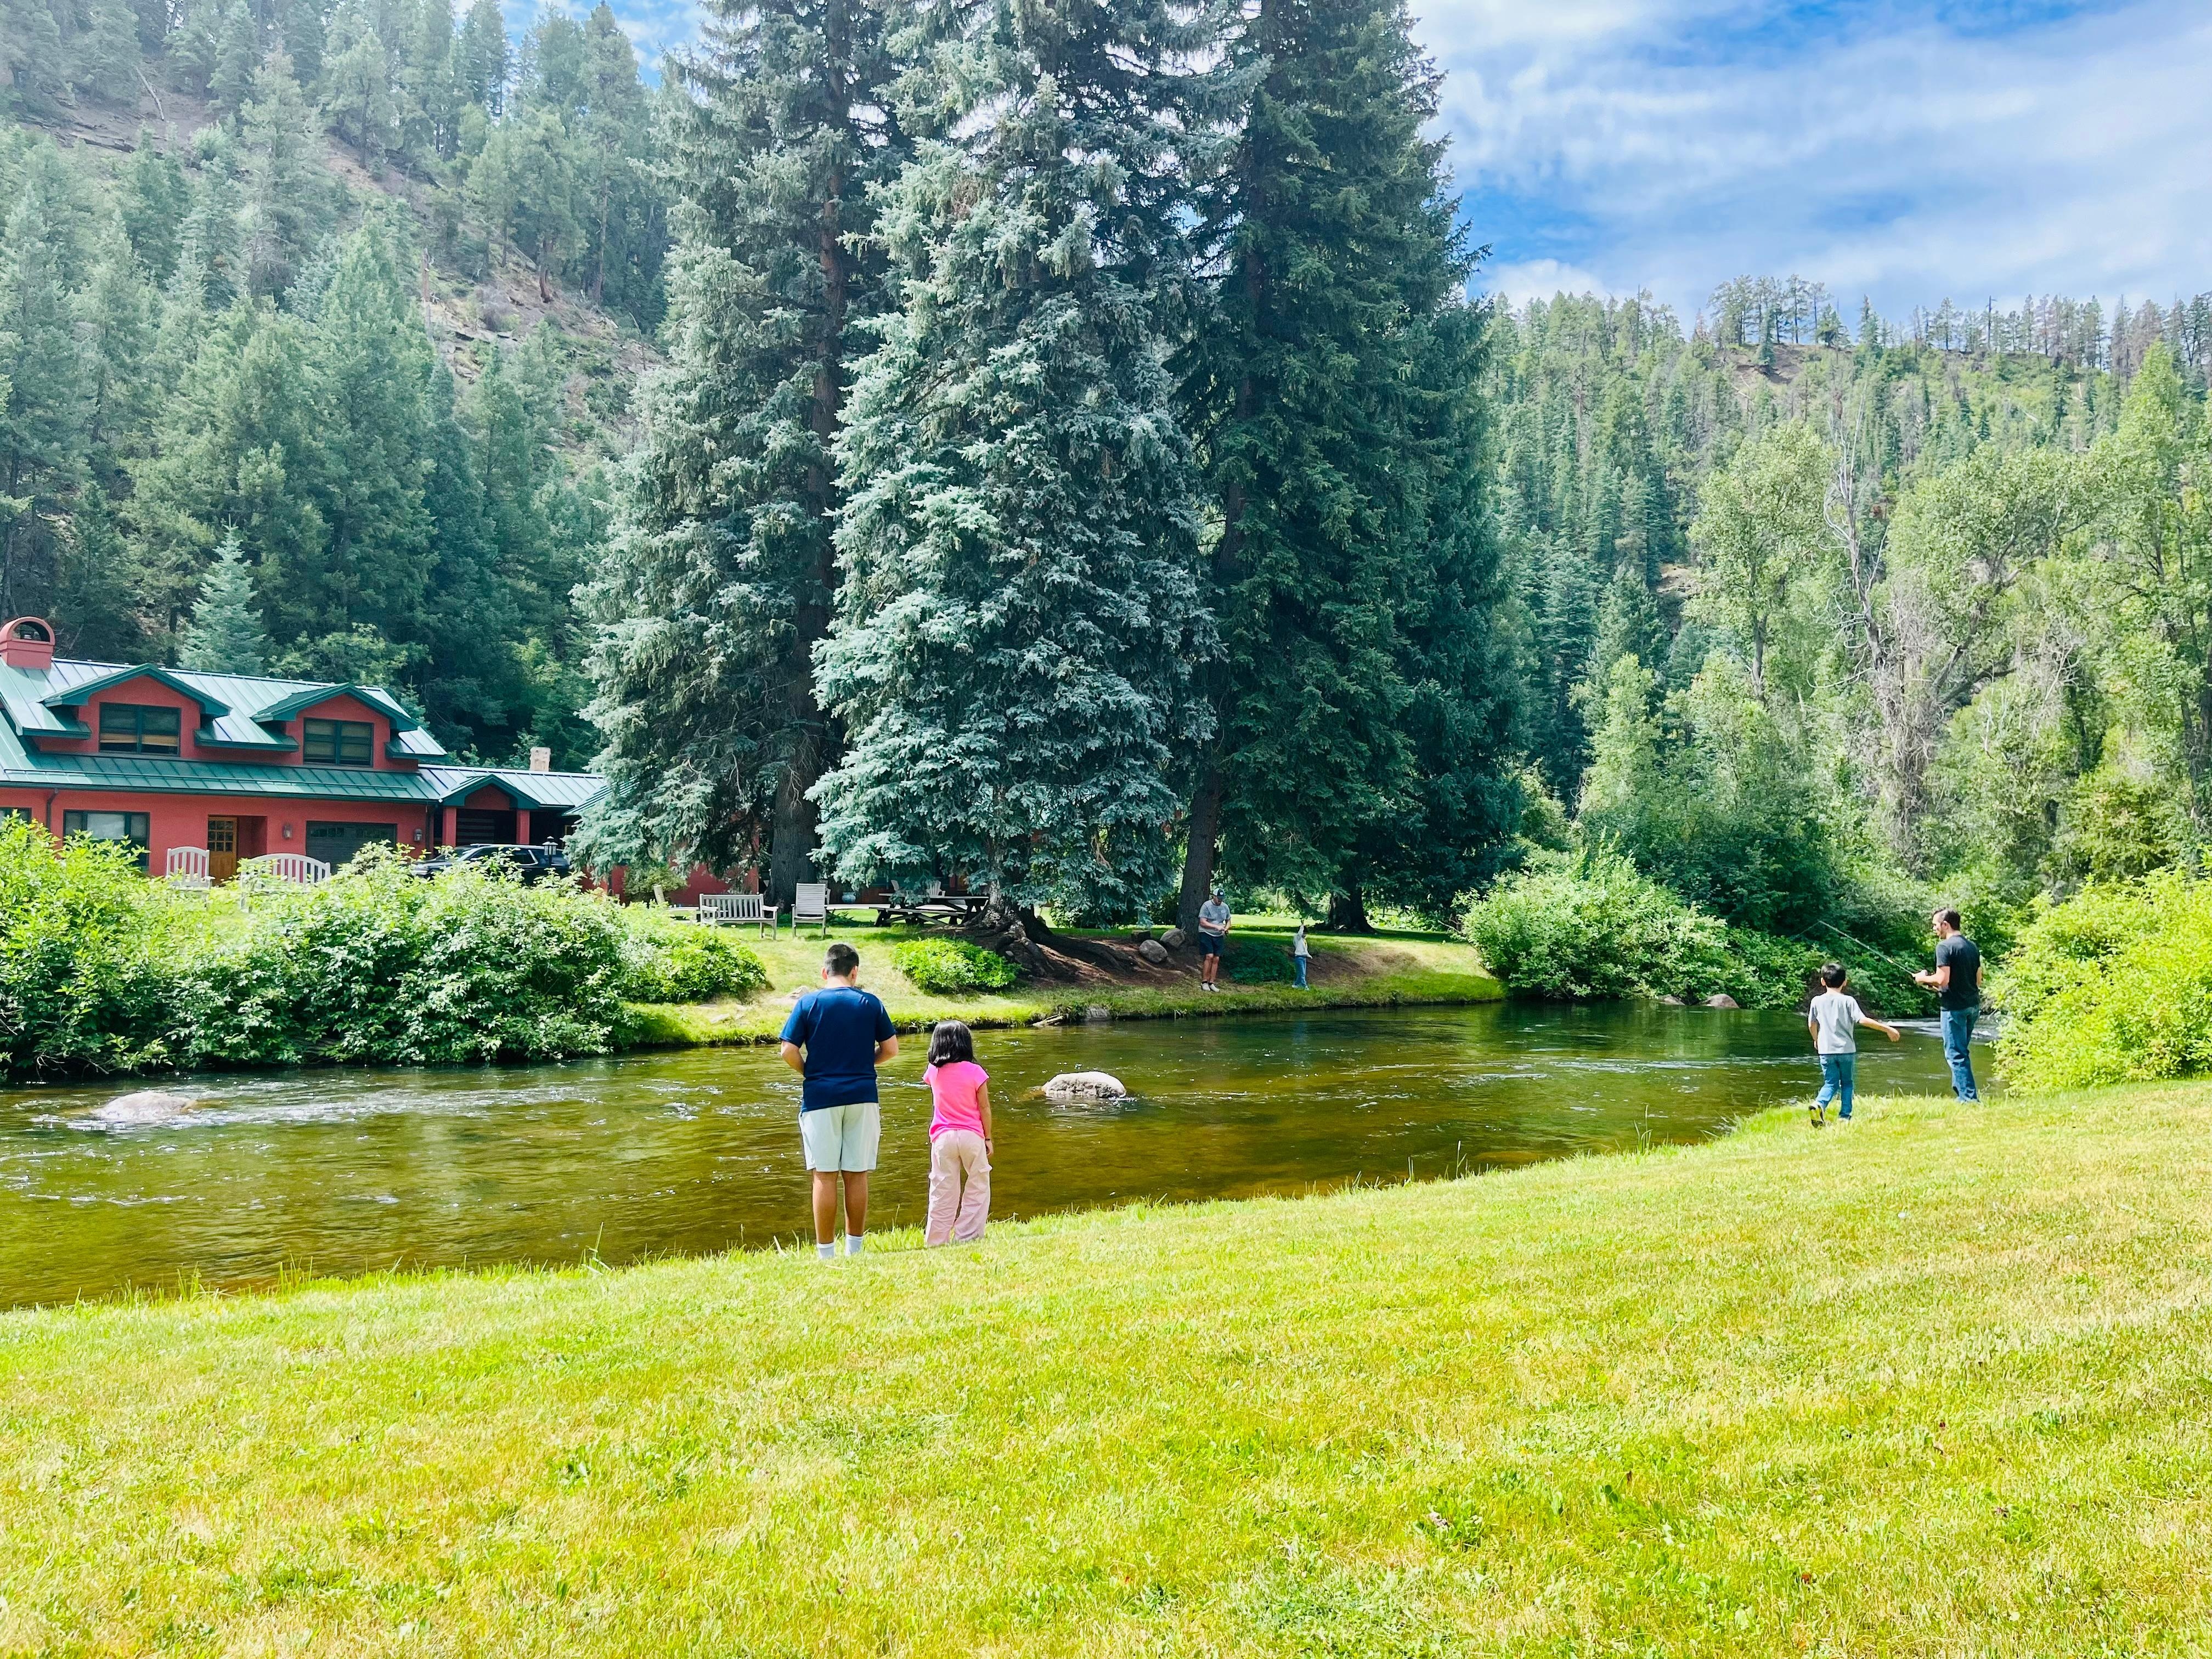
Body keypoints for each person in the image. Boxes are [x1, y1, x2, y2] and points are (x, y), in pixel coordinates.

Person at [780, 942, 898, 1260]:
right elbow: (891, 1050)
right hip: (863, 1095)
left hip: (820, 1097)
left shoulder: (807, 1003)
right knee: (857, 1173)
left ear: (824, 972)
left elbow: (788, 1051)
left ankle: (825, 1254)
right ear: (854, 972)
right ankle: (855, 1251)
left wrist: (811, 1071)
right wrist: (863, 1063)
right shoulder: (870, 1003)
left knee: (824, 1174)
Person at [921, 1020, 993, 1246]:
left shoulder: (933, 1072)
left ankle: (936, 1239)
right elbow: (984, 1108)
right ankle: (968, 1236)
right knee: (978, 1184)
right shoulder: (976, 1072)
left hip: (943, 1138)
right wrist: (988, 1137)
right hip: (972, 1136)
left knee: (942, 1188)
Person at [1806, 962, 1900, 1125]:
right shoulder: (1848, 1001)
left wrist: (1816, 1040)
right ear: (1845, 982)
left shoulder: (1816, 1001)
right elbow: (1862, 1020)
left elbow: (1811, 1024)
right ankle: (1845, 1117)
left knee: (1830, 1083)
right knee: (1847, 1083)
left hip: (1826, 1051)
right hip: (1846, 1051)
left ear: (1823, 981)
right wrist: (1887, 1029)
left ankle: (1819, 1104)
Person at [1914, 907, 1983, 1102]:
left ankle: (1969, 1099)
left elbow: (1942, 979)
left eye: (1936, 925)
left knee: (1955, 1054)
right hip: (1972, 1006)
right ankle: (1962, 1094)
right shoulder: (1972, 947)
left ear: (1946, 925)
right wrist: (1941, 987)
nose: (1934, 929)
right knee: (1962, 1051)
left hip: (1954, 1009)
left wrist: (1923, 979)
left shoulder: (1944, 947)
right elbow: (1977, 980)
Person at [1198, 888, 1231, 991]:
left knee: (1216, 958)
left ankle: (1212, 982)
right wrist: (1215, 927)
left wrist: (1226, 928)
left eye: (1222, 898)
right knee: (1209, 956)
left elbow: (1229, 921)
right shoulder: (1206, 906)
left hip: (1218, 935)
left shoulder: (1225, 907)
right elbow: (1203, 922)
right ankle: (1204, 982)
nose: (1220, 900)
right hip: (1206, 933)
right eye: (1218, 898)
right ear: (1214, 896)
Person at [1291, 922, 1311, 989]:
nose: (1305, 935)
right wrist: (1302, 926)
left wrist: (1309, 956)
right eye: (1304, 934)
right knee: (1302, 973)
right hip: (1299, 958)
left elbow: (1305, 950)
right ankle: (1305, 986)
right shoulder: (1297, 938)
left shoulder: (1304, 940)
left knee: (1302, 973)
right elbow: (1300, 933)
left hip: (1304, 958)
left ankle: (1296, 984)